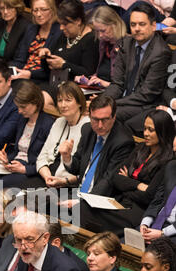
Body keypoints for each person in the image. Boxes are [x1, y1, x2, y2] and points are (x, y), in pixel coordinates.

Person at [79, 109, 175, 237]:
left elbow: (149, 196)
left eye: (150, 130)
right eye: (145, 128)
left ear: (162, 131)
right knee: (82, 206)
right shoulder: (141, 148)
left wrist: (126, 182)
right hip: (119, 201)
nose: (145, 133)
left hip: (137, 210)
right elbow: (115, 177)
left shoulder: (168, 160)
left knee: (93, 218)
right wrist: (137, 185)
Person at [104, 2, 172, 136]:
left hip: (145, 105)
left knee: (106, 115)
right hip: (126, 100)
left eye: (142, 24)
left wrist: (112, 104)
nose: (137, 29)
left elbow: (147, 94)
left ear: (153, 26)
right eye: (133, 24)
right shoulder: (126, 43)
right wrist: (104, 100)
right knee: (97, 109)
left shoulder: (161, 52)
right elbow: (117, 83)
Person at [0, 80, 54, 189]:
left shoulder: (48, 124)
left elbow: (51, 161)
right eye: (18, 107)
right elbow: (16, 151)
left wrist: (25, 169)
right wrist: (5, 158)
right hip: (14, 164)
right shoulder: (22, 119)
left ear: (35, 102)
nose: (19, 111)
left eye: (23, 107)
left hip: (30, 169)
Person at [60, 94, 135, 196]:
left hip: (99, 200)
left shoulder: (123, 142)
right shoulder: (87, 130)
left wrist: (82, 202)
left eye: (105, 120)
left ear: (113, 117)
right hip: (78, 192)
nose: (100, 125)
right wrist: (67, 157)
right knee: (39, 200)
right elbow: (76, 168)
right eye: (95, 119)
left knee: (59, 210)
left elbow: (108, 181)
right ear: (89, 116)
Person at [23, 81, 89, 189]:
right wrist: (47, 177)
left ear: (79, 103)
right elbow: (42, 157)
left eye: (68, 100)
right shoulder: (59, 122)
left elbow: (84, 171)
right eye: (59, 100)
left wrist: (63, 181)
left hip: (67, 184)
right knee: (16, 194)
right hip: (47, 176)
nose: (63, 105)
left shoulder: (87, 127)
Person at [39, 0, 99, 109]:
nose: (61, 28)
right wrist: (45, 57)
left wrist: (64, 64)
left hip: (74, 89)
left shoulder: (90, 40)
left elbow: (87, 73)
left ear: (78, 21)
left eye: (65, 24)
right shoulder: (64, 35)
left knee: (42, 101)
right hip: (55, 83)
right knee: (30, 95)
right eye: (60, 23)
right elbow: (47, 70)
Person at [10, 0, 61, 85]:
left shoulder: (59, 31)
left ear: (52, 10)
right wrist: (11, 70)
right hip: (23, 73)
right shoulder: (31, 29)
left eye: (43, 10)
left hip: (43, 77)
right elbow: (20, 59)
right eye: (35, 10)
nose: (38, 14)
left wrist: (29, 74)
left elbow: (53, 67)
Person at [76, 5, 127, 89]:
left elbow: (125, 85)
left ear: (115, 25)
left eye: (103, 31)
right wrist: (89, 79)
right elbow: (102, 72)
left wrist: (105, 84)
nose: (100, 35)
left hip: (114, 92)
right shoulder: (103, 43)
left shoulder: (127, 44)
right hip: (101, 89)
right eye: (97, 31)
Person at [140, 157, 176, 243]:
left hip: (173, 230)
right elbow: (158, 199)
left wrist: (163, 233)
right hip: (156, 221)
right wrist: (145, 223)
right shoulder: (172, 166)